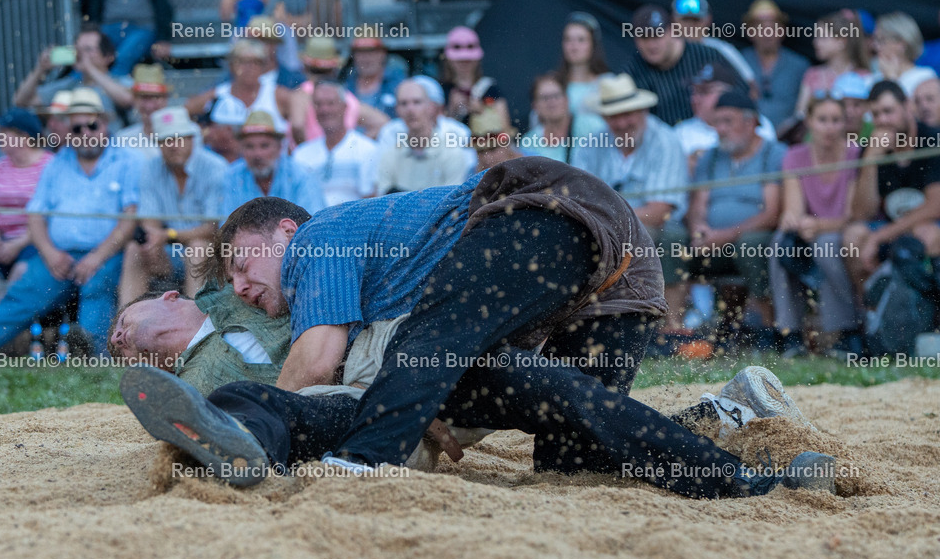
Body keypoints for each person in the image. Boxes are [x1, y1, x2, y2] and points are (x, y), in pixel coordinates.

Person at [120, 167, 836, 497]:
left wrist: (356, 412)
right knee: (573, 448)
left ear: (284, 230)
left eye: (243, 265)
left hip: (549, 211)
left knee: (421, 349)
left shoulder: (319, 238)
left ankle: (359, 459)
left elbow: (317, 357)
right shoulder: (395, 278)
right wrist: (423, 404)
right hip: (619, 274)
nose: (243, 286)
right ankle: (732, 430)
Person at [0, 88, 142, 357]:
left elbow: (129, 218)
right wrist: (50, 253)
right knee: (27, 291)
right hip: (59, 254)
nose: (85, 133)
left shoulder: (127, 161)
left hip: (108, 253)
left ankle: (95, 356)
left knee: (97, 286)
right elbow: (35, 216)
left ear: (105, 124)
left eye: (92, 125)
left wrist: (96, 257)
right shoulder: (57, 163)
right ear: (69, 131)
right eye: (77, 128)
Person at [572, 74, 688, 331]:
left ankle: (671, 326)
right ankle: (595, 326)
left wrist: (609, 221)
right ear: (604, 117)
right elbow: (578, 202)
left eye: (628, 114)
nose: (622, 122)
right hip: (604, 226)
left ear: (642, 111)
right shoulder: (589, 145)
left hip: (648, 226)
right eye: (614, 116)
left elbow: (661, 212)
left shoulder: (665, 140)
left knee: (671, 238)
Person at [679, 91, 786, 337]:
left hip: (755, 239)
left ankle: (769, 330)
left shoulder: (774, 154)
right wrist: (699, 229)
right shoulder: (710, 157)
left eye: (727, 121)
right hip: (711, 240)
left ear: (750, 122)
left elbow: (772, 214)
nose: (720, 129)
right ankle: (674, 331)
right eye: (717, 122)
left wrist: (723, 236)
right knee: (672, 241)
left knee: (751, 245)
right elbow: (698, 205)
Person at [769, 95, 861, 358]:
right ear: (809, 121)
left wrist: (818, 225)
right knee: (780, 243)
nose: (829, 127)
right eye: (822, 120)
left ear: (844, 123)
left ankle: (844, 331)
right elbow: (793, 208)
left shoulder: (855, 154)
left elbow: (853, 214)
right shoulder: (795, 156)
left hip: (842, 229)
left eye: (836, 120)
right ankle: (790, 332)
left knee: (826, 246)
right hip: (812, 228)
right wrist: (793, 220)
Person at [119, 107, 228, 306]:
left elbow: (213, 230)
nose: (173, 145)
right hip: (173, 247)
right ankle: (127, 317)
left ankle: (194, 318)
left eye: (179, 139)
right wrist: (153, 242)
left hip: (211, 252)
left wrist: (165, 236)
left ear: (191, 139)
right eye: (166, 140)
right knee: (135, 250)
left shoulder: (215, 168)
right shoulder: (151, 168)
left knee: (197, 248)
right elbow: (150, 222)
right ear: (158, 144)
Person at [109, 283, 291, 397]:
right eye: (123, 353)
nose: (115, 338)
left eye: (123, 321)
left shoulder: (230, 281)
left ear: (170, 296)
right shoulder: (193, 396)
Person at [843, 80, 940, 289]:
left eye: (888, 111)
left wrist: (880, 236)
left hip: (927, 224)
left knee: (927, 234)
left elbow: (935, 207)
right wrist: (870, 162)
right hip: (891, 227)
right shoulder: (871, 148)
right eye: (876, 115)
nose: (883, 121)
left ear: (907, 107)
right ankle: (873, 307)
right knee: (853, 238)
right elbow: (861, 213)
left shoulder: (933, 140)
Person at [625, 4, 743, 126]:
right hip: (663, 136)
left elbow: (743, 93)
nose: (651, 45)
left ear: (672, 31)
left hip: (713, 131)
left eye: (657, 36)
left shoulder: (707, 55)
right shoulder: (633, 70)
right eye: (644, 38)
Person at [13, 25, 134, 131]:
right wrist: (40, 69)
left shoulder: (121, 82)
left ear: (108, 57)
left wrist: (90, 69)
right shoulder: (69, 85)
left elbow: (128, 100)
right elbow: (22, 101)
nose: (80, 55)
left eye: (88, 49)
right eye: (77, 49)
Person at [0, 108, 55, 282]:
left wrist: (17, 244)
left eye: (4, 132)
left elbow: (50, 217)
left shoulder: (50, 165)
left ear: (24, 136)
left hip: (35, 243)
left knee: (19, 274)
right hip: (2, 243)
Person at [675, 63, 777, 172]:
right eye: (693, 91)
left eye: (704, 91)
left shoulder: (756, 123)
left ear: (728, 92)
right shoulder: (681, 131)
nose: (695, 98)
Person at [376, 77, 470, 194]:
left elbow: (452, 201)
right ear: (397, 109)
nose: (410, 109)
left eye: (417, 102)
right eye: (404, 103)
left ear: (430, 107)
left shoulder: (452, 153)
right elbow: (383, 197)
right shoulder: (390, 155)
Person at [292, 82, 378, 207]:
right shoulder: (301, 154)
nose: (324, 110)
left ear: (344, 107)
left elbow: (370, 203)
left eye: (331, 103)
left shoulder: (366, 149)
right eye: (319, 104)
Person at [288, 37, 388, 145]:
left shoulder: (301, 94)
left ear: (305, 67)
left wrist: (307, 150)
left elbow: (297, 125)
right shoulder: (346, 97)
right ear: (334, 69)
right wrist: (353, 146)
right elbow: (382, 122)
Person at [222, 110, 325, 215]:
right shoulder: (233, 176)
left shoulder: (301, 176)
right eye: (249, 146)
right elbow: (226, 221)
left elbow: (312, 220)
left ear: (279, 147)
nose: (257, 154)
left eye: (264, 146)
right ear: (241, 149)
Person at [186, 40, 291, 136]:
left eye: (256, 62)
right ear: (232, 66)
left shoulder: (278, 95)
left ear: (263, 67)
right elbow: (186, 110)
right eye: (243, 62)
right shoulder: (217, 95)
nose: (249, 68)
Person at [740, 0, 810, 130]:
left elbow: (803, 111)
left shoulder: (800, 65)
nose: (767, 34)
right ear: (750, 32)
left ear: (782, 31)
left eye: (773, 28)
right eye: (760, 28)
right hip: (747, 134)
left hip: (788, 137)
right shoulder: (738, 61)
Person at [794, 10, 871, 118]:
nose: (815, 42)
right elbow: (801, 115)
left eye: (822, 37)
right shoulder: (813, 75)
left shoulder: (864, 77)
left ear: (841, 41)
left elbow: (868, 116)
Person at [670, 0, 757, 89]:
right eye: (685, 20)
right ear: (673, 20)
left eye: (695, 20)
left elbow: (751, 84)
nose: (690, 26)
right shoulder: (665, 50)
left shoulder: (721, 49)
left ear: (708, 20)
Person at [521, 72, 606, 165]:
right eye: (545, 98)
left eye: (556, 96)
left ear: (567, 100)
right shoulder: (529, 142)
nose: (552, 102)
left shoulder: (593, 126)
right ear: (535, 106)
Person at [440, 26, 510, 129]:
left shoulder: (491, 89)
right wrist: (452, 112)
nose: (464, 64)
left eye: (468, 61)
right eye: (460, 61)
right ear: (449, 61)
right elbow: (435, 132)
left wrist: (482, 112)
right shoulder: (441, 91)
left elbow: (505, 129)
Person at [84, 0, 174, 77]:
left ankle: (113, 84)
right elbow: (91, 6)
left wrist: (163, 38)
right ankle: (79, 85)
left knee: (123, 58)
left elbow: (163, 6)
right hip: (108, 26)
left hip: (142, 28)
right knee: (89, 53)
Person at [870, 12, 938, 98]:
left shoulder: (924, 77)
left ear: (901, 44)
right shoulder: (874, 78)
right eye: (875, 40)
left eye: (881, 40)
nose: (875, 46)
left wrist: (891, 80)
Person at [556, 12, 612, 116]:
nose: (573, 46)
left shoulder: (608, 82)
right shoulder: (553, 84)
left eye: (581, 40)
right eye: (568, 39)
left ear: (593, 44)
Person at [115, 63, 171, 160]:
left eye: (155, 97)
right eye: (144, 98)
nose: (149, 106)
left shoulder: (185, 134)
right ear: (134, 100)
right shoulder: (122, 139)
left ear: (165, 99)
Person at [343, 34, 403, 118]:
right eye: (361, 53)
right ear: (354, 56)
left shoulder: (398, 85)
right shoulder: (345, 86)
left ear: (383, 54)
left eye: (371, 52)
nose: (366, 58)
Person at [470, 108, 522, 173]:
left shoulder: (531, 165)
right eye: (481, 151)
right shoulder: (472, 175)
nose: (487, 158)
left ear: (507, 144)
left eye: (493, 149)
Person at [832, 72, 873, 142]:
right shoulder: (821, 132)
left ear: (867, 107)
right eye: (843, 104)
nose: (849, 111)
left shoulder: (874, 132)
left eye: (856, 104)